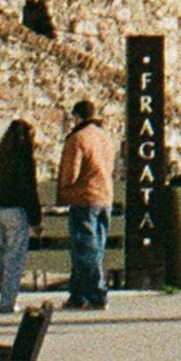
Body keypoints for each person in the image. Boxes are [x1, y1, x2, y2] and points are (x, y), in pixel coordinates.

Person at [57, 99, 116, 309]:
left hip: (84, 198)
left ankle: (96, 294)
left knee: (84, 249)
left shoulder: (77, 139)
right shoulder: (105, 137)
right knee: (96, 247)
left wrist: (63, 193)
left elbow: (70, 173)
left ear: (77, 116)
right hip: (105, 196)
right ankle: (78, 295)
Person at [0, 118, 41, 312]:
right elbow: (29, 190)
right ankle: (7, 301)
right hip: (16, 211)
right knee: (15, 259)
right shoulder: (24, 158)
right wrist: (35, 219)